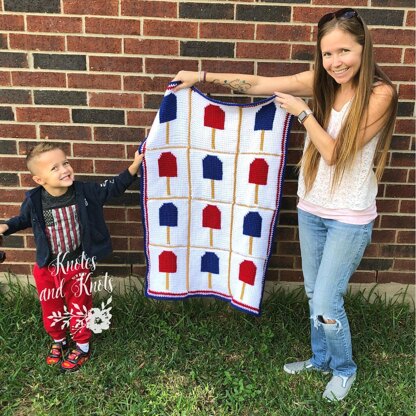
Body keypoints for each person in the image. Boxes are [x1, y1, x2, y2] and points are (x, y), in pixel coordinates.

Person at [171, 7, 397, 401]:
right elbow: (259, 83)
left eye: (344, 51)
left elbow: (335, 153)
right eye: (327, 54)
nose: (335, 62)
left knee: (328, 300)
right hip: (312, 208)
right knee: (314, 294)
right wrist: (201, 77)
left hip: (350, 216)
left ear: (364, 48)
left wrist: (304, 112)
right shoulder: (321, 81)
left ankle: (344, 368)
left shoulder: (380, 93)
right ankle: (320, 359)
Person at [0, 143, 143, 372]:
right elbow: (23, 219)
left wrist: (134, 167)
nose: (64, 169)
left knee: (79, 307)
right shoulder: (34, 199)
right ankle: (59, 339)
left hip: (77, 265)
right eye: (54, 168)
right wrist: (6, 226)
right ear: (39, 179)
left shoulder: (85, 191)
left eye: (65, 163)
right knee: (51, 306)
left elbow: (112, 188)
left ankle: (82, 345)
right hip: (47, 268)